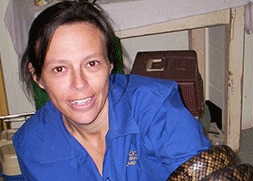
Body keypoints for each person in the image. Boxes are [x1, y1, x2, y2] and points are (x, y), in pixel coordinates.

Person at [13, 1, 211, 180]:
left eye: (91, 63)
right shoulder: (33, 147)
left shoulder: (156, 109)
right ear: (37, 76)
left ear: (109, 63)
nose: (79, 83)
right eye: (59, 69)